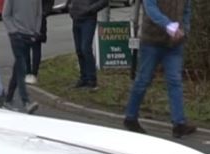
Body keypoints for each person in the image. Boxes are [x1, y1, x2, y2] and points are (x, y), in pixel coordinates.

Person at [123, 0, 196, 138]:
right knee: (143, 80)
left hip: (174, 44)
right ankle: (130, 117)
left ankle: (179, 123)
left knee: (175, 81)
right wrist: (168, 25)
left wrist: (185, 30)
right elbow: (151, 9)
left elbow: (186, 10)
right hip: (152, 42)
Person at [2, 0, 42, 113]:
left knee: (18, 68)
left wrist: (36, 31)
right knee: (22, 67)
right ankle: (26, 102)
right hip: (17, 36)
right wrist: (13, 31)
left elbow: (38, 14)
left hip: (30, 35)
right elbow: (6, 15)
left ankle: (8, 100)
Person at [68, 0, 108, 89]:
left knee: (85, 49)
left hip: (88, 20)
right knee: (79, 50)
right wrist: (70, 8)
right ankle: (84, 78)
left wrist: (90, 9)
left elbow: (104, 1)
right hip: (76, 19)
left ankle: (91, 80)